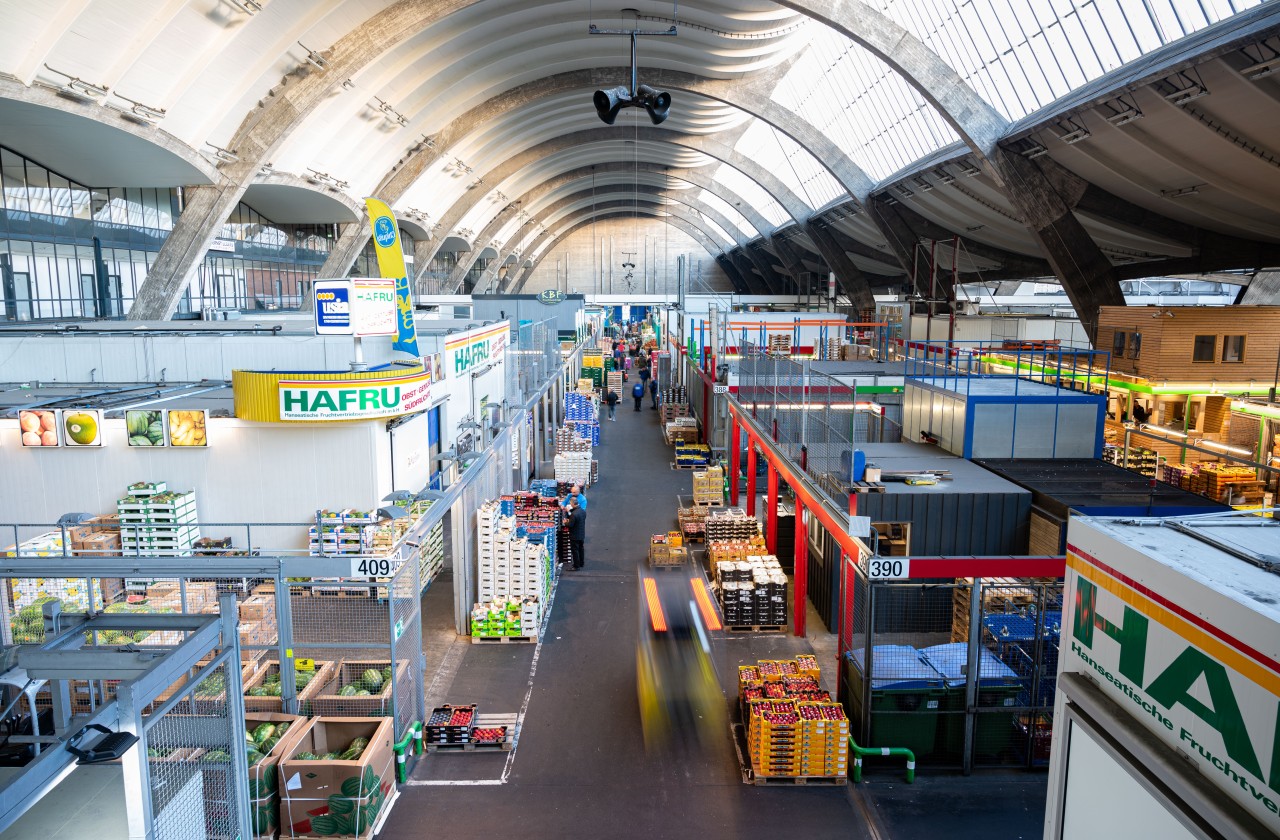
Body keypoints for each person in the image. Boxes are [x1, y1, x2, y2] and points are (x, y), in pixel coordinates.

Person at [565, 497, 586, 570]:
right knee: (581, 549)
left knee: (575, 550)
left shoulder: (574, 514)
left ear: (572, 504)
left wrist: (566, 523)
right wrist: (569, 512)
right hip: (581, 534)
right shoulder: (583, 511)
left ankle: (576, 566)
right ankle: (581, 563)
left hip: (574, 535)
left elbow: (570, 524)